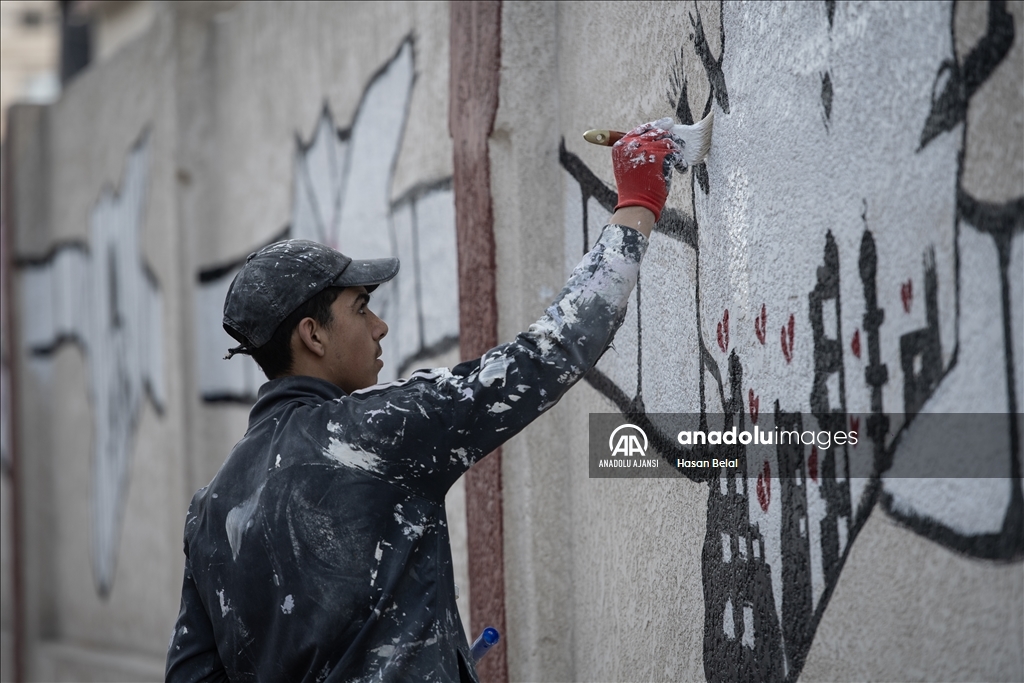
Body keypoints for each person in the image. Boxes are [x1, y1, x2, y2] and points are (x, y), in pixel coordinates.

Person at [165, 120, 684, 682]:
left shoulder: (211, 510)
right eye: (361, 308)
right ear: (312, 335)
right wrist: (637, 202)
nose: (380, 326)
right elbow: (550, 351)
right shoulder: (375, 431)